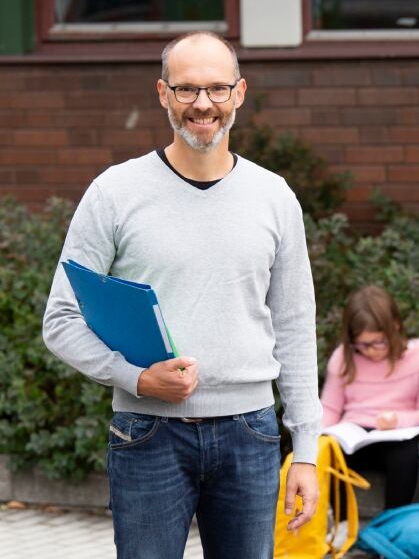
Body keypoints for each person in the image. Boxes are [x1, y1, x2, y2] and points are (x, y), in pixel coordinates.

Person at [42, 31, 322, 558]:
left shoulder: (274, 196)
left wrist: (305, 450)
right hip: (146, 433)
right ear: (163, 93)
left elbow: (294, 324)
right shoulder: (115, 193)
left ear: (240, 93)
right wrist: (137, 379)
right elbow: (60, 319)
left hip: (252, 435)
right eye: (187, 89)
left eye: (217, 89)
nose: (202, 104)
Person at [321, 285, 419, 509]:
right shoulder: (343, 358)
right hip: (353, 436)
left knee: (404, 453)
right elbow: (330, 409)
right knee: (329, 449)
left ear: (395, 325)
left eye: (380, 341)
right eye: (363, 344)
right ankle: (341, 524)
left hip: (397, 436)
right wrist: (317, 434)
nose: (372, 350)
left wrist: (397, 421)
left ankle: (392, 521)